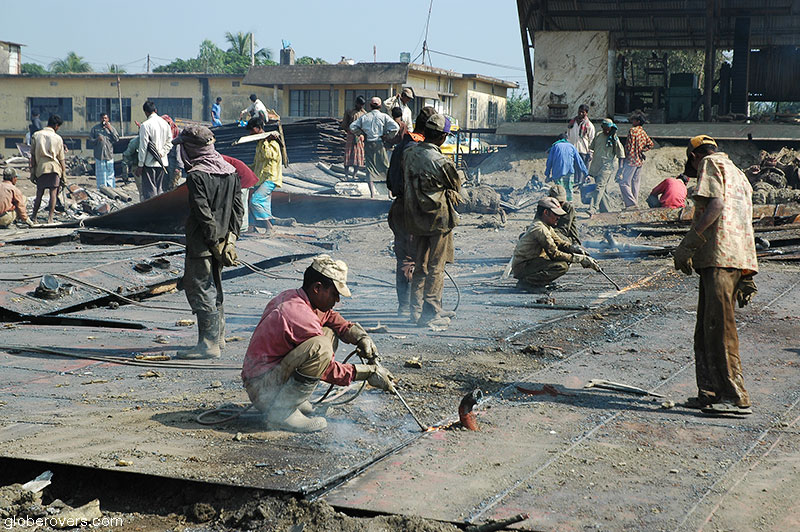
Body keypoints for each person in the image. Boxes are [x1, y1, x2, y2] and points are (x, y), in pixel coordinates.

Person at [241, 255, 395, 432]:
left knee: (329, 334)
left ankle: (292, 399)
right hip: (263, 388)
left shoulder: (298, 297)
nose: (337, 300)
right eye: (334, 294)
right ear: (317, 288)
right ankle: (282, 412)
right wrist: (368, 373)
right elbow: (328, 369)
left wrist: (359, 336)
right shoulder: (298, 315)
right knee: (320, 348)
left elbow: (329, 316)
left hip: (270, 376)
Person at [674, 135, 757, 416]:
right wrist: (748, 271)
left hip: (720, 257)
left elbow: (717, 205)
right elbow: (745, 219)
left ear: (695, 157)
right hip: (733, 258)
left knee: (720, 330)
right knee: (706, 329)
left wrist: (689, 243)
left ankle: (735, 395)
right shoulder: (739, 174)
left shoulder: (710, 163)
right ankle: (709, 392)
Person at [174, 125, 244, 360]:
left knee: (201, 289)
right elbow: (238, 210)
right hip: (223, 243)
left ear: (191, 149)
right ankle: (219, 338)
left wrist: (214, 243)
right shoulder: (231, 171)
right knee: (216, 286)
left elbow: (203, 214)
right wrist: (229, 241)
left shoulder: (196, 175)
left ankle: (208, 344)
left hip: (203, 244)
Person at [403, 113, 461, 329]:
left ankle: (416, 311)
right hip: (438, 219)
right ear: (443, 137)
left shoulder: (409, 153)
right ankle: (431, 313)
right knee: (436, 266)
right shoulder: (441, 161)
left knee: (420, 264)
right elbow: (455, 184)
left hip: (415, 217)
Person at [386, 106, 436, 316]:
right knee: (414, 260)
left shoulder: (402, 145)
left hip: (399, 207)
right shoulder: (419, 150)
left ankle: (404, 307)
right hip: (413, 210)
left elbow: (390, 182)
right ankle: (412, 309)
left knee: (404, 258)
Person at [511, 197, 599, 291]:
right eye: (556, 214)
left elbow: (560, 242)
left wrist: (574, 249)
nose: (558, 217)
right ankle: (527, 283)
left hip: (531, 262)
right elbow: (554, 254)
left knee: (564, 261)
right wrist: (580, 259)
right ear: (546, 212)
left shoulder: (545, 226)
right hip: (523, 267)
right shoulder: (540, 229)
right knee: (561, 266)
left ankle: (537, 281)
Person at [245, 117, 294, 233]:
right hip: (260, 178)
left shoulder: (272, 142)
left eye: (251, 130)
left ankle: (269, 227)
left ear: (257, 128)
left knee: (255, 201)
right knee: (254, 203)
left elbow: (269, 156)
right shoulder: (259, 144)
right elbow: (257, 164)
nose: (250, 133)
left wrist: (266, 141)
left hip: (270, 178)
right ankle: (251, 228)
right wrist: (243, 167)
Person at [350, 97, 399, 197]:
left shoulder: (365, 117)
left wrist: (361, 133)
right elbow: (395, 127)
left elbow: (352, 127)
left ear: (370, 106)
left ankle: (372, 194)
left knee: (370, 168)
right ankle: (389, 193)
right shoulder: (384, 116)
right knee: (385, 167)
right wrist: (387, 136)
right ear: (380, 106)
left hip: (368, 144)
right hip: (379, 144)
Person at [30, 114, 66, 224]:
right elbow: (61, 159)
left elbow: (32, 156)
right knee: (53, 194)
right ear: (55, 125)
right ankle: (50, 218)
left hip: (41, 168)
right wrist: (64, 175)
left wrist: (32, 172)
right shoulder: (58, 138)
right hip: (54, 168)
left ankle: (34, 217)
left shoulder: (36, 135)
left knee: (39, 194)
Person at [135, 101, 172, 200]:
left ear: (146, 112)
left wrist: (140, 165)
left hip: (149, 163)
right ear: (155, 110)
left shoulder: (145, 125)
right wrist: (161, 153)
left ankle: (153, 211)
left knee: (150, 191)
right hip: (162, 162)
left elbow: (143, 146)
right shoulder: (165, 124)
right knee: (160, 189)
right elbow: (170, 142)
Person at [587, 118, 625, 215]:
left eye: (608, 129)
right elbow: (592, 148)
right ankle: (606, 210)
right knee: (602, 189)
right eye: (605, 128)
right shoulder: (598, 135)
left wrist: (620, 170)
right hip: (596, 165)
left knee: (599, 187)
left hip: (607, 166)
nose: (606, 131)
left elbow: (621, 155)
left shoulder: (614, 139)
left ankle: (593, 208)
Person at [619, 113, 654, 208]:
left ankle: (632, 204)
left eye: (634, 120)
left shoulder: (632, 131)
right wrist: (642, 151)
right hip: (639, 161)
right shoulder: (642, 132)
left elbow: (629, 146)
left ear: (638, 121)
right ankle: (635, 202)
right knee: (635, 183)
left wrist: (625, 158)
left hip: (632, 160)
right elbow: (650, 144)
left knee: (624, 183)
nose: (632, 121)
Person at [544, 134, 587, 202]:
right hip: (569, 172)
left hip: (558, 173)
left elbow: (549, 161)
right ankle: (569, 205)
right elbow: (579, 161)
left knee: (559, 191)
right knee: (569, 189)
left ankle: (560, 205)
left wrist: (547, 175)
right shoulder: (571, 146)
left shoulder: (555, 146)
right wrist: (586, 173)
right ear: (567, 139)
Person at [565, 104, 595, 186]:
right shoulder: (572, 123)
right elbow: (568, 134)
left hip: (583, 150)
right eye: (579, 111)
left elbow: (592, 140)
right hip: (572, 149)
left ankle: (582, 184)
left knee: (582, 168)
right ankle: (574, 183)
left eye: (583, 112)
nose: (580, 113)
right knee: (573, 167)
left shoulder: (589, 126)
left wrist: (591, 152)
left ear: (586, 113)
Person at [89, 113, 120, 189]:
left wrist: (110, 129)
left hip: (109, 155)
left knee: (110, 174)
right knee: (101, 176)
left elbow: (117, 139)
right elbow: (90, 141)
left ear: (108, 119)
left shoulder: (111, 128)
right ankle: (102, 190)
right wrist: (97, 139)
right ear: (100, 119)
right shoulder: (95, 129)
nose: (104, 120)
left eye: (105, 118)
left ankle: (111, 189)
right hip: (99, 156)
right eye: (103, 118)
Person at [341, 96, 366, 180]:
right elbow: (344, 124)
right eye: (360, 104)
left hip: (359, 137)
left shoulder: (364, 114)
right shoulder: (349, 112)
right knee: (348, 156)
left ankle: (354, 175)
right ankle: (346, 175)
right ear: (356, 103)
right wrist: (349, 131)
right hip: (350, 136)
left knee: (358, 157)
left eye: (362, 105)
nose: (361, 106)